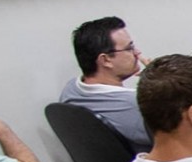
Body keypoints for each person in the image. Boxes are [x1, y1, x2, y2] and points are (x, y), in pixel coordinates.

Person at [58, 16, 150, 149]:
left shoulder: (72, 90)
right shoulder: (136, 105)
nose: (137, 53)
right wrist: (167, 84)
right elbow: (185, 138)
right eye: (129, 48)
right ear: (106, 60)